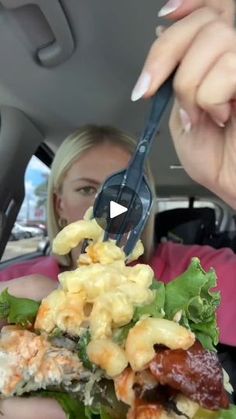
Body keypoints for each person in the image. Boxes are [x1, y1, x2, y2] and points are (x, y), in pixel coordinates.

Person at [0, 0, 236, 417]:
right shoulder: (16, 281)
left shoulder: (201, 269)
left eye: (127, 192)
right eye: (87, 188)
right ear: (58, 202)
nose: (106, 208)